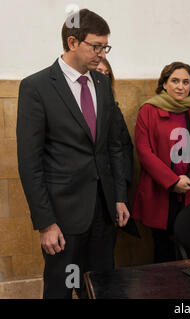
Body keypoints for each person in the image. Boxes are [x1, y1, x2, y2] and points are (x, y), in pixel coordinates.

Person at [16, 9, 129, 298]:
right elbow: (30, 162)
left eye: (106, 46)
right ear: (72, 42)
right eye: (96, 46)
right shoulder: (37, 87)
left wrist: (118, 197)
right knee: (64, 289)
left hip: (103, 215)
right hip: (64, 219)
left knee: (100, 288)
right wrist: (46, 223)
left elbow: (112, 147)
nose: (102, 54)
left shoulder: (102, 84)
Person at [133, 61, 190, 263]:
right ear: (164, 84)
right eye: (175, 81)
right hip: (160, 192)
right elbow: (144, 152)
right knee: (163, 248)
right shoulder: (149, 111)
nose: (181, 86)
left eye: (186, 82)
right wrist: (172, 181)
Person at [96, 58, 139, 238]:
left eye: (107, 74)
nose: (103, 78)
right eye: (99, 73)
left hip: (111, 189)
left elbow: (123, 148)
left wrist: (121, 190)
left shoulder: (113, 109)